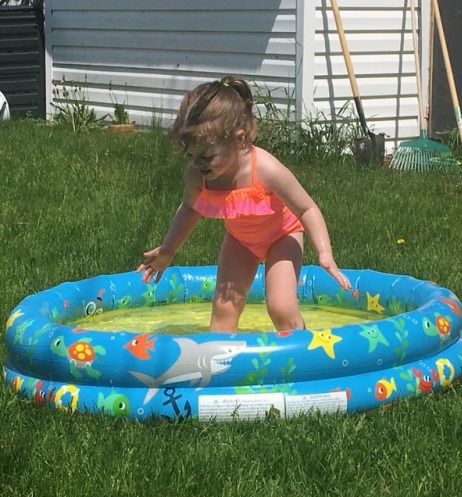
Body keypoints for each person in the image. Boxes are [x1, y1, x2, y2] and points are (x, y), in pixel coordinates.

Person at [136, 75, 351, 333]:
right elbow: (191, 209)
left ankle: (302, 357)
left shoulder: (266, 169)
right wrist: (169, 249)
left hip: (282, 237)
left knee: (281, 307)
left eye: (207, 156)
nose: (198, 163)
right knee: (224, 307)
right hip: (240, 241)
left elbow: (307, 208)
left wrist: (324, 253)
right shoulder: (198, 176)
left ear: (239, 140)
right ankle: (221, 364)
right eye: (190, 155)